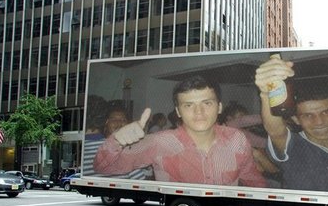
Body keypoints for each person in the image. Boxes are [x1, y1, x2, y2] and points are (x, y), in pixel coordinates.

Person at [93, 76, 267, 187]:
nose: (199, 112)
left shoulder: (237, 139)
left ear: (219, 107)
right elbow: (104, 168)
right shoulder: (160, 143)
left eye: (207, 103)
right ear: (178, 111)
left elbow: (254, 181)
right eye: (189, 105)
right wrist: (117, 140)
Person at [254, 55, 328, 192]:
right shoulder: (294, 146)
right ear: (296, 119)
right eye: (308, 115)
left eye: (325, 112)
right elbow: (275, 131)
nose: (319, 122)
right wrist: (266, 94)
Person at [83, 104, 148, 180]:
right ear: (106, 123)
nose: (119, 123)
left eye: (123, 120)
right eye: (114, 119)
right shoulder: (88, 145)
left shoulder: (128, 149)